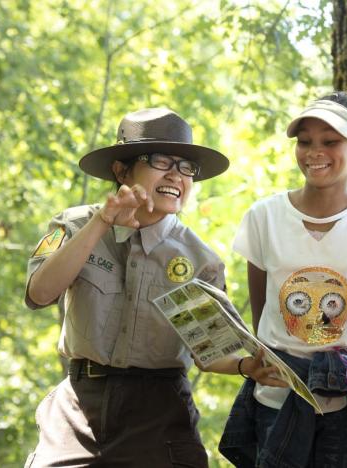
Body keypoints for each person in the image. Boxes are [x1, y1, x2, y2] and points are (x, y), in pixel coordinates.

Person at [23, 107, 285, 468]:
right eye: (162, 161)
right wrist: (102, 222)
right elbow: (39, 293)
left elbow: (207, 353)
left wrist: (246, 366)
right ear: (121, 170)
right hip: (77, 409)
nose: (176, 176)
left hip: (159, 414)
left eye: (186, 167)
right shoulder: (72, 225)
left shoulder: (200, 259)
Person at [218, 92, 347, 467]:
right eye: (305, 141)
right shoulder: (264, 217)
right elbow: (263, 310)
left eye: (330, 142)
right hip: (278, 395)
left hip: (346, 399)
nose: (314, 152)